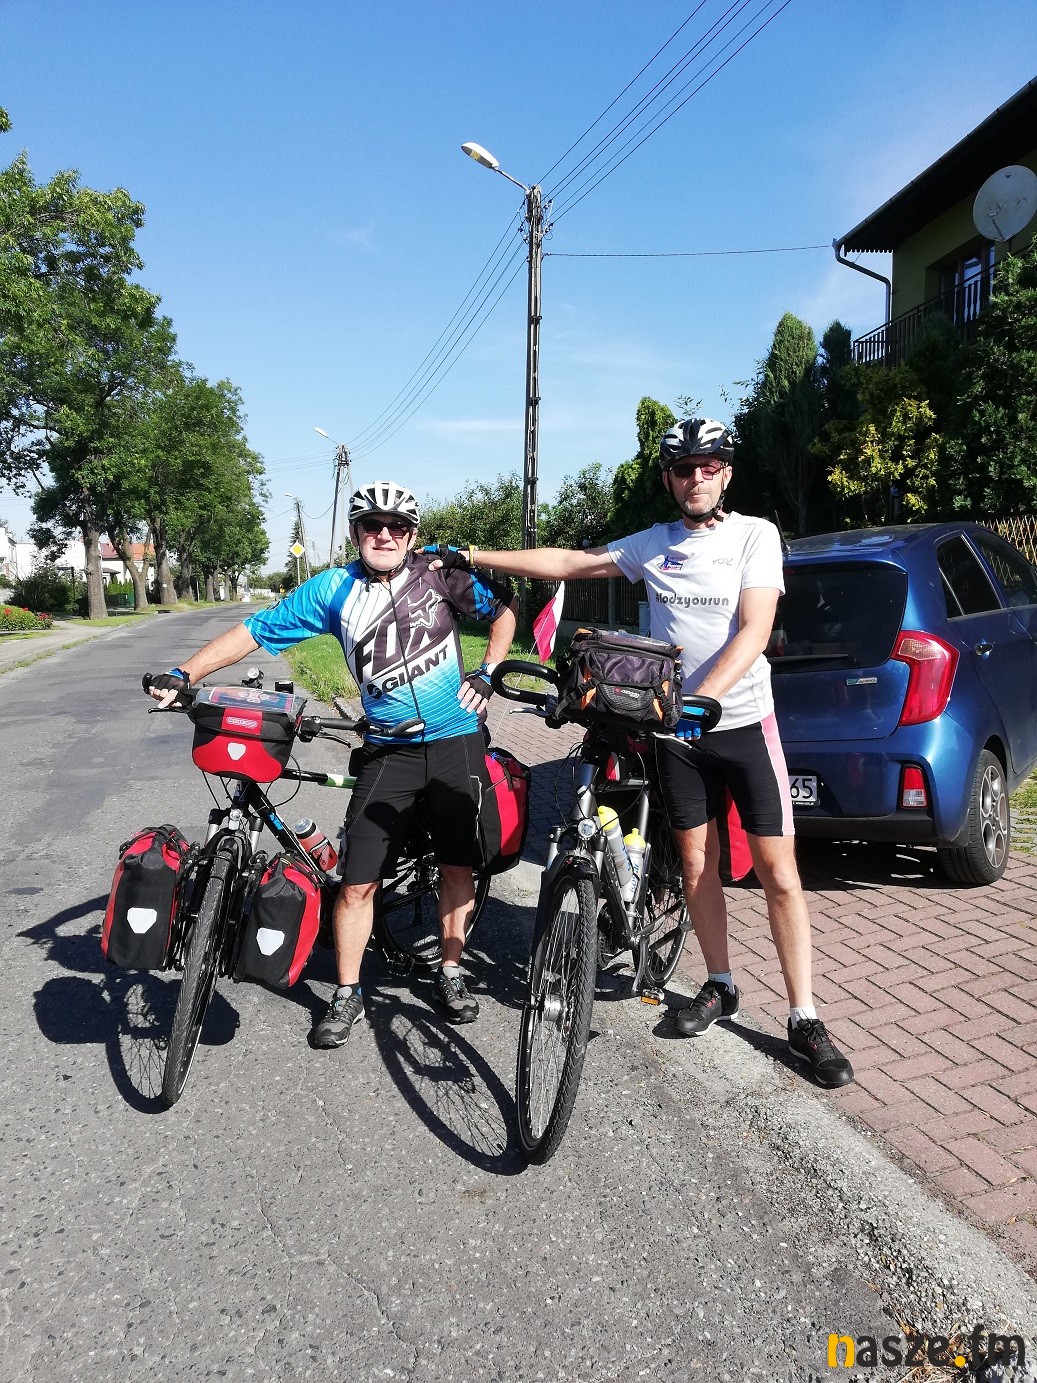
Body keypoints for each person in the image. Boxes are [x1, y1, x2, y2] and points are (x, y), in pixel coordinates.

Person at [443, 419, 853, 1089]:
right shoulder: (653, 544)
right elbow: (570, 563)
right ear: (669, 479)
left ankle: (804, 1016)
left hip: (741, 725)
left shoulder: (754, 535)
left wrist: (702, 700)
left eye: (709, 466)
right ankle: (719, 985)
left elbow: (754, 630)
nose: (697, 477)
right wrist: (474, 552)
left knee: (779, 872)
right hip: (676, 734)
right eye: (684, 468)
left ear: (726, 473)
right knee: (695, 862)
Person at [146, 480, 517, 1049]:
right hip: (388, 749)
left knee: (457, 867)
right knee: (357, 882)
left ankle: (450, 970)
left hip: (456, 740)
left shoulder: (441, 575)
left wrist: (488, 671)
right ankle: (347, 993)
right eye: (372, 525)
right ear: (355, 532)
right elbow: (254, 631)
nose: (385, 535)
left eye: (397, 526)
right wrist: (184, 673)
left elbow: (505, 613)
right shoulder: (332, 589)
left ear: (412, 534)